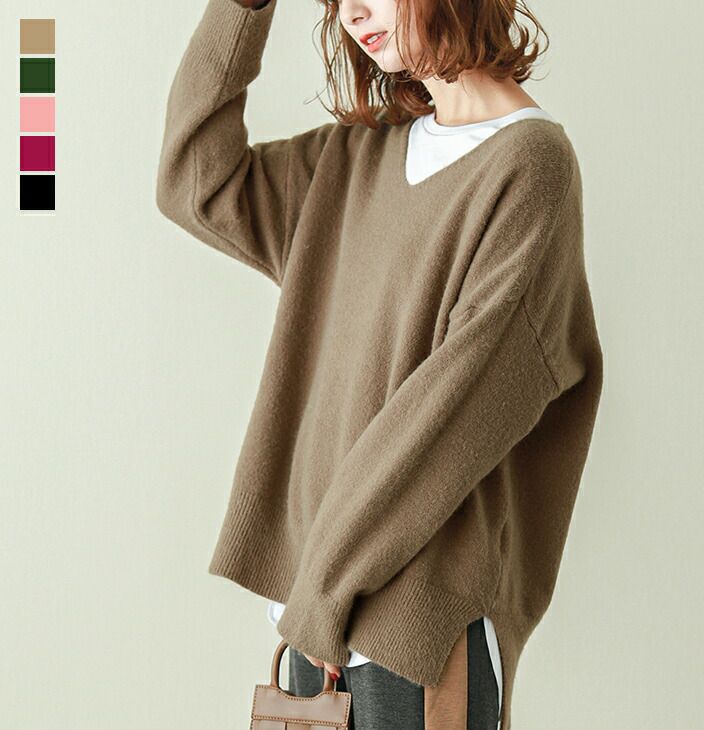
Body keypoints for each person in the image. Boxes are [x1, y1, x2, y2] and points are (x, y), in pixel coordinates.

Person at [155, 1, 603, 728]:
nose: (353, 12)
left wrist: (322, 593)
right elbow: (194, 182)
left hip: (415, 633)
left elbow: (451, 415)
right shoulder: (353, 159)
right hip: (318, 623)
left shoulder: (530, 166)